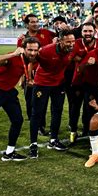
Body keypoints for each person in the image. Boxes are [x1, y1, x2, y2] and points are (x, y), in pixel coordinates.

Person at [0, 37, 40, 161]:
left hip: (8, 92)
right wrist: (13, 54)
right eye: (30, 50)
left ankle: (9, 153)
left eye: (35, 50)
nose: (33, 53)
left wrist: (24, 80)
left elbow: (24, 68)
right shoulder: (14, 57)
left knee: (17, 120)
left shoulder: (30, 59)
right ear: (23, 49)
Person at [28, 29, 76, 158]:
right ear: (60, 41)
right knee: (37, 113)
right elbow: (31, 61)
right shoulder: (46, 50)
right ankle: (33, 144)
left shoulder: (72, 50)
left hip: (58, 84)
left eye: (72, 41)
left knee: (57, 111)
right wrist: (28, 79)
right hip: (42, 84)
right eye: (68, 42)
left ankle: (53, 140)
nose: (71, 44)